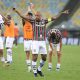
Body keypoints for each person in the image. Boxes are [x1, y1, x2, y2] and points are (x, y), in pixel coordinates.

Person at [13, 7, 33, 72]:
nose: (29, 16)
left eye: (30, 15)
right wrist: (28, 10)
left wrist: (30, 10)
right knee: (27, 53)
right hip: (26, 40)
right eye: (28, 15)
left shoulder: (33, 22)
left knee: (34, 54)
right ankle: (29, 67)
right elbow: (22, 16)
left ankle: (33, 66)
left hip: (32, 40)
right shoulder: (24, 22)